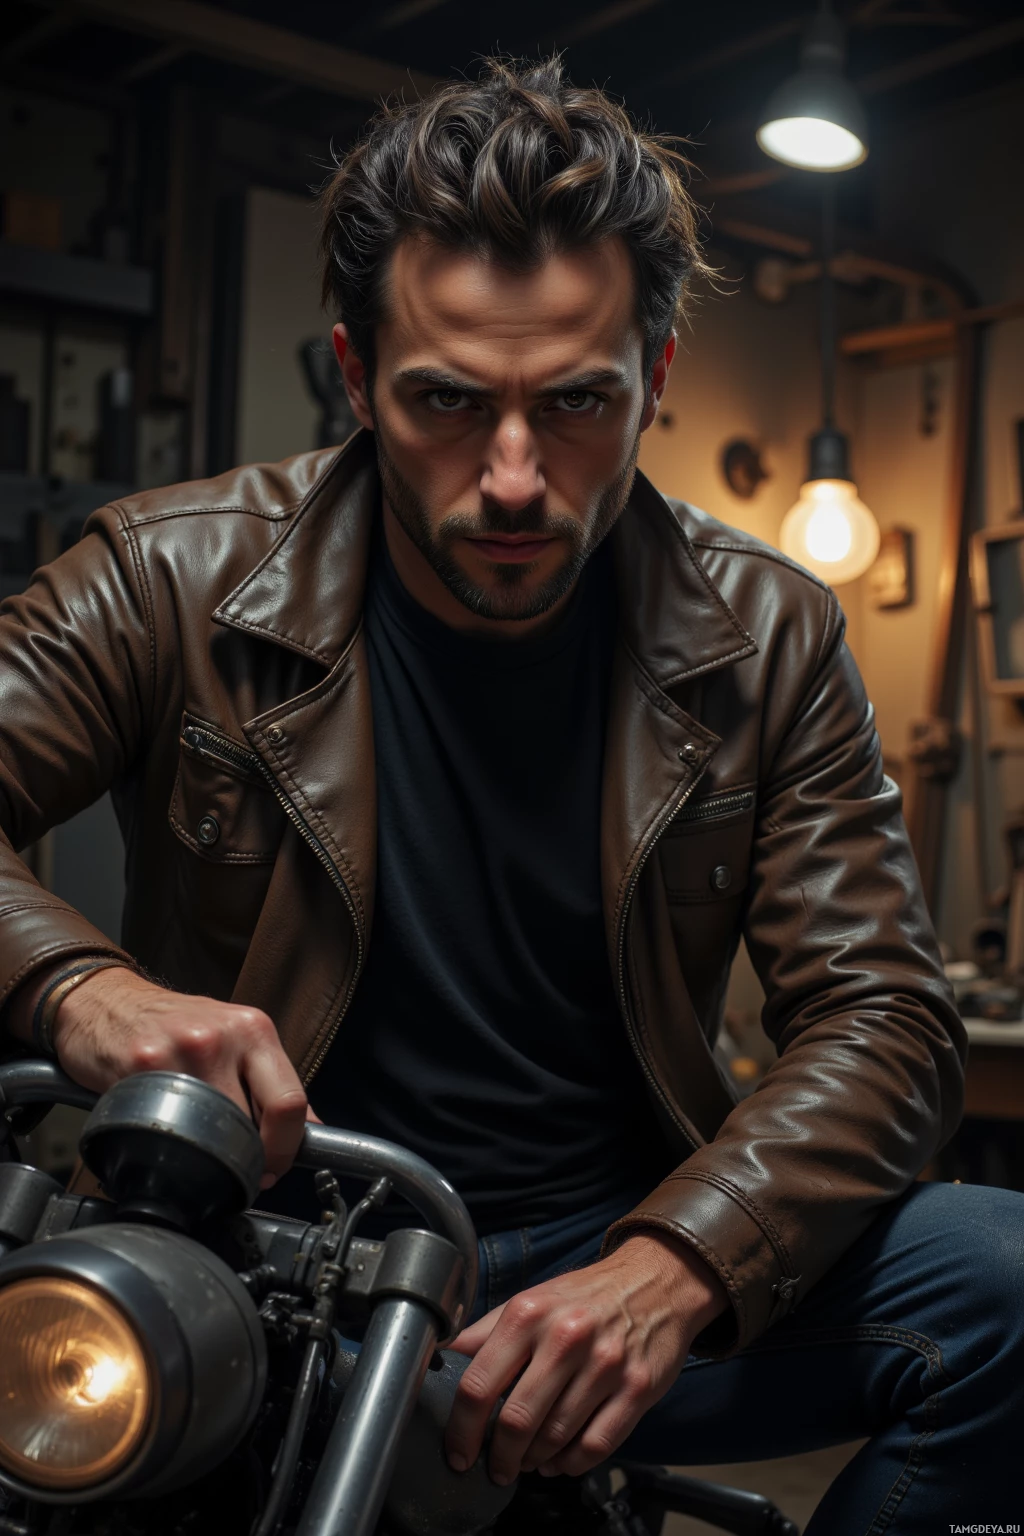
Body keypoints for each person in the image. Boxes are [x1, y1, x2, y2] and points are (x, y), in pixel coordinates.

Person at [0, 56, 1019, 1533]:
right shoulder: (173, 573)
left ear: (656, 379)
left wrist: (678, 1265)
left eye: (582, 402)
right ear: (355, 378)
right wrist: (80, 989)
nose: (518, 476)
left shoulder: (773, 636)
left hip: (608, 1260)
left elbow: (889, 1017)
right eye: (446, 402)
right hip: (264, 1249)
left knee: (1004, 1286)